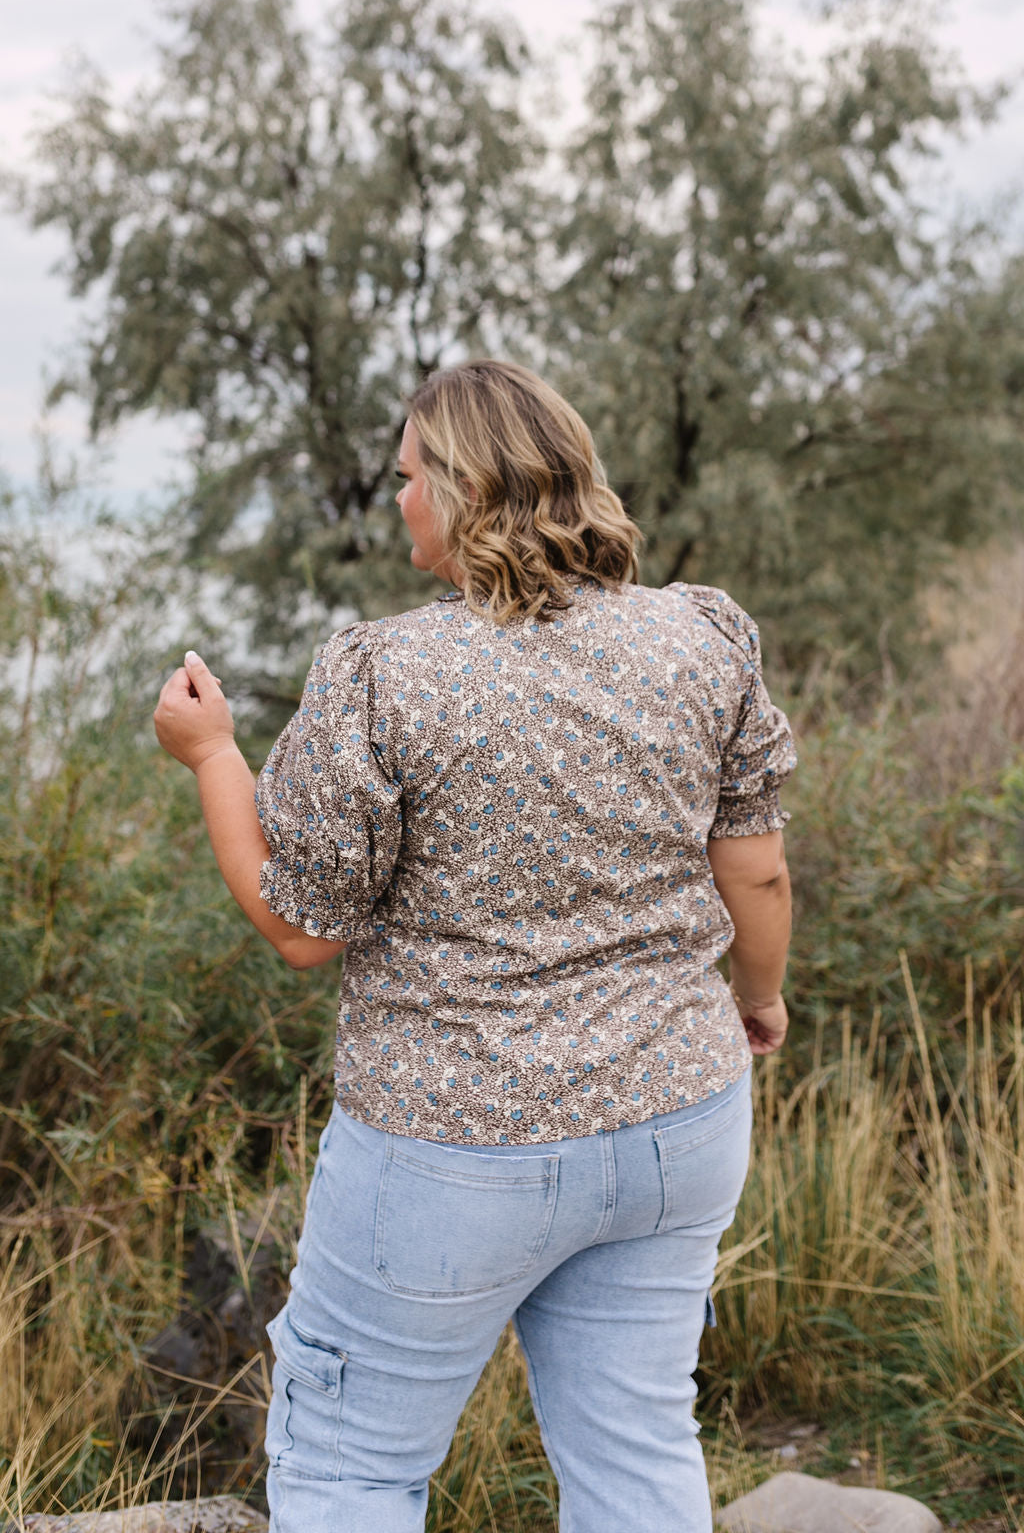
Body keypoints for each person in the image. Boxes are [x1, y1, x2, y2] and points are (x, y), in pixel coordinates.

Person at [154, 359, 795, 1533]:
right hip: (677, 1115)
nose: (396, 500)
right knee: (636, 1439)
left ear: (460, 492)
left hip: (451, 1142)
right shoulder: (700, 639)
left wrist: (211, 758)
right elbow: (752, 866)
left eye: (407, 478)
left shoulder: (385, 673)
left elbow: (300, 929)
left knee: (352, 1461)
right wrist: (758, 1000)